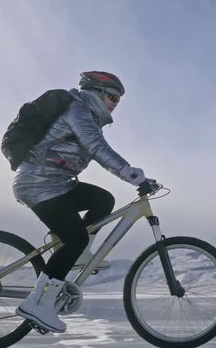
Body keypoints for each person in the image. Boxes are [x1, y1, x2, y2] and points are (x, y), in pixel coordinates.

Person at [12, 71, 148, 333]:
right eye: (112, 97)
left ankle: (77, 255)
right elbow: (97, 148)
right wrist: (131, 173)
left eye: (118, 100)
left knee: (102, 199)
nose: (114, 103)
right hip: (38, 185)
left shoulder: (90, 117)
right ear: (96, 92)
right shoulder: (79, 110)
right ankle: (38, 303)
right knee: (75, 238)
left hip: (56, 184)